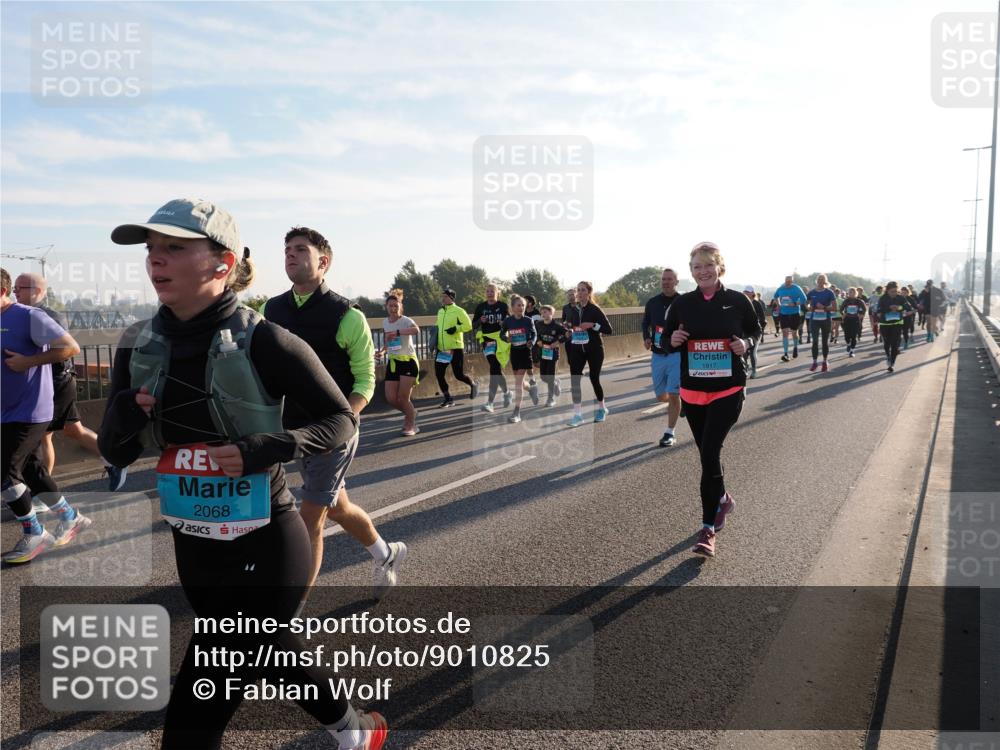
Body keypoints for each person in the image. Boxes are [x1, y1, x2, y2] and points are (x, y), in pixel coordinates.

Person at [99, 199, 387, 750]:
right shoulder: (138, 345)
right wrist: (125, 414)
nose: (155, 261)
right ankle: (355, 731)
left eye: (174, 248)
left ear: (222, 263)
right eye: (151, 249)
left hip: (267, 536)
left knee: (201, 703)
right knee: (274, 653)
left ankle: (352, 731)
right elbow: (115, 449)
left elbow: (339, 422)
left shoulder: (265, 339)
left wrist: (268, 447)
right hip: (195, 538)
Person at [265, 226, 406, 597]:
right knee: (338, 506)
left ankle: (290, 612)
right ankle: (385, 553)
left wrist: (345, 421)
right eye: (286, 249)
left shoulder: (347, 315)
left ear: (323, 262)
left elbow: (364, 380)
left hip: (334, 429)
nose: (290, 255)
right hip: (293, 428)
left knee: (310, 516)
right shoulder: (271, 310)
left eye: (300, 249)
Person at [665, 242, 761, 558]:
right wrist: (673, 340)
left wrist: (745, 343)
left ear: (719, 266)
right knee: (707, 454)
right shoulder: (681, 305)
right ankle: (723, 498)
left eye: (708, 265)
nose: (702, 271)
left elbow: (755, 332)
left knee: (709, 451)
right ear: (690, 271)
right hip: (693, 391)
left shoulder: (737, 301)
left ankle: (708, 529)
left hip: (728, 389)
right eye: (696, 267)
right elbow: (665, 339)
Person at [2, 267, 91, 563]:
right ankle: (71, 517)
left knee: (5, 470)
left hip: (30, 410)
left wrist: (30, 361)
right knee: (31, 470)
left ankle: (35, 533)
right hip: (5, 410)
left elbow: (70, 348)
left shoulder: (28, 316)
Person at [13, 273, 127, 493]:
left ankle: (42, 494)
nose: (15, 291)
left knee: (42, 436)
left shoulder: (48, 316)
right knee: (72, 429)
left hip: (55, 382)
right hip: (55, 381)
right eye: (15, 288)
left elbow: (64, 350)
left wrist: (25, 359)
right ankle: (114, 460)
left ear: (36, 290)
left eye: (20, 288)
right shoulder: (27, 314)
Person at [643, 268, 682, 445]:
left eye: (669, 279)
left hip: (676, 354)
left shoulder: (683, 302)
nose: (666, 282)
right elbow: (645, 323)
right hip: (657, 355)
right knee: (661, 396)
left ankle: (669, 432)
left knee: (673, 394)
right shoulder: (652, 302)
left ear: (676, 282)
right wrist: (646, 337)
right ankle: (680, 403)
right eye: (663, 279)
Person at [565, 281, 613, 427]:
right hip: (577, 349)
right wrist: (568, 331)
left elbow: (608, 329)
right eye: (578, 290)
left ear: (589, 292)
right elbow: (570, 326)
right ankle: (578, 415)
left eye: (583, 290)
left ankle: (602, 408)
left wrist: (592, 325)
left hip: (594, 349)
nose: (580, 293)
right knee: (575, 380)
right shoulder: (573, 310)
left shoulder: (595, 309)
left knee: (594, 378)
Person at [381, 290, 420, 436]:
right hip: (393, 362)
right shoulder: (385, 322)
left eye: (395, 306)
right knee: (391, 398)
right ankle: (411, 412)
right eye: (390, 306)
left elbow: (416, 330)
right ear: (386, 306)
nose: (393, 308)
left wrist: (398, 332)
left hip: (408, 361)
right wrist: (383, 351)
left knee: (403, 397)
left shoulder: (405, 320)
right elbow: (387, 339)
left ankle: (411, 425)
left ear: (400, 306)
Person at [434, 287, 478, 407]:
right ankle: (448, 398)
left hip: (455, 348)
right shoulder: (440, 311)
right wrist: (434, 340)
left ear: (451, 298)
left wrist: (456, 329)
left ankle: (473, 384)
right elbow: (437, 326)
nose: (442, 298)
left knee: (458, 375)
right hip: (442, 348)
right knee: (439, 374)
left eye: (445, 296)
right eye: (442, 296)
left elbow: (468, 326)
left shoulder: (459, 311)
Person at [473, 284, 512, 412]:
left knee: (495, 369)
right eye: (487, 291)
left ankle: (491, 402)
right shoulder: (481, 307)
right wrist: (480, 321)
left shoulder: (503, 306)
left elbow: (511, 321)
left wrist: (504, 323)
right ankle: (506, 393)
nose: (489, 293)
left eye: (492, 291)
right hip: (487, 340)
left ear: (497, 293)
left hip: (500, 339)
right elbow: (473, 325)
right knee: (495, 368)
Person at [499, 294, 538, 423]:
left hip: (525, 352)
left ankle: (517, 412)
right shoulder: (508, 321)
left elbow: (534, 334)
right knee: (519, 382)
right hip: (514, 352)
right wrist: (506, 338)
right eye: (518, 305)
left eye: (523, 305)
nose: (521, 307)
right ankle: (531, 389)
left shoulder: (528, 320)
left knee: (517, 383)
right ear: (512, 307)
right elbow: (501, 334)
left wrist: (531, 342)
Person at [533, 305, 565, 406]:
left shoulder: (557, 326)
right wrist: (538, 341)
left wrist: (557, 342)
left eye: (545, 312)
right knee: (543, 377)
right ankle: (555, 383)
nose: (543, 314)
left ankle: (550, 399)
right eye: (542, 312)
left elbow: (567, 335)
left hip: (553, 354)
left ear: (551, 313)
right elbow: (535, 334)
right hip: (543, 353)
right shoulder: (538, 324)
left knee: (550, 376)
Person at [877, 281, 912, 373]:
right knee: (887, 343)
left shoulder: (901, 298)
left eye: (896, 291)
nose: (894, 293)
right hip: (885, 324)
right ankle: (888, 356)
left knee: (895, 344)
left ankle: (892, 363)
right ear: (887, 291)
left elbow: (909, 308)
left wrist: (899, 308)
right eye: (892, 291)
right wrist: (889, 308)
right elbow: (878, 310)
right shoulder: (882, 298)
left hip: (897, 324)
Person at [806, 274, 837, 372]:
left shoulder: (829, 292)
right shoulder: (812, 292)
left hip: (826, 320)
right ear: (816, 281)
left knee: (824, 342)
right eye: (819, 279)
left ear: (825, 281)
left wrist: (823, 307)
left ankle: (824, 362)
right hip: (814, 320)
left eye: (822, 279)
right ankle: (814, 362)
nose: (820, 281)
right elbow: (807, 303)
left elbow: (834, 308)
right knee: (814, 341)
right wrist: (809, 307)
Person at [771, 275, 806, 362]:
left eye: (790, 281)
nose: (788, 283)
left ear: (792, 281)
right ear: (785, 281)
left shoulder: (796, 288)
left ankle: (795, 347)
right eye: (787, 281)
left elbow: (804, 299)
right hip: (784, 313)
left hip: (794, 313)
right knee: (785, 333)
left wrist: (795, 303)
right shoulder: (781, 288)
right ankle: (786, 353)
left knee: (794, 333)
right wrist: (778, 305)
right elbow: (775, 296)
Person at [743, 285, 767, 378]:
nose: (745, 293)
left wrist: (759, 329)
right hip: (744, 331)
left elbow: (763, 318)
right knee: (744, 352)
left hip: (755, 332)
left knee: (752, 352)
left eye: (747, 292)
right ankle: (745, 369)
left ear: (752, 293)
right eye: (744, 292)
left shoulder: (757, 304)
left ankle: (754, 371)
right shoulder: (741, 303)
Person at [839, 288, 867, 357]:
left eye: (853, 292)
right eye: (850, 292)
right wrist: (843, 315)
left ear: (856, 293)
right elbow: (841, 310)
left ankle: (852, 351)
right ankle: (848, 344)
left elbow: (864, 309)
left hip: (855, 320)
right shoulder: (846, 301)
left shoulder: (859, 301)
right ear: (848, 293)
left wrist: (861, 314)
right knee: (847, 336)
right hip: (847, 320)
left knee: (854, 336)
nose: (851, 294)